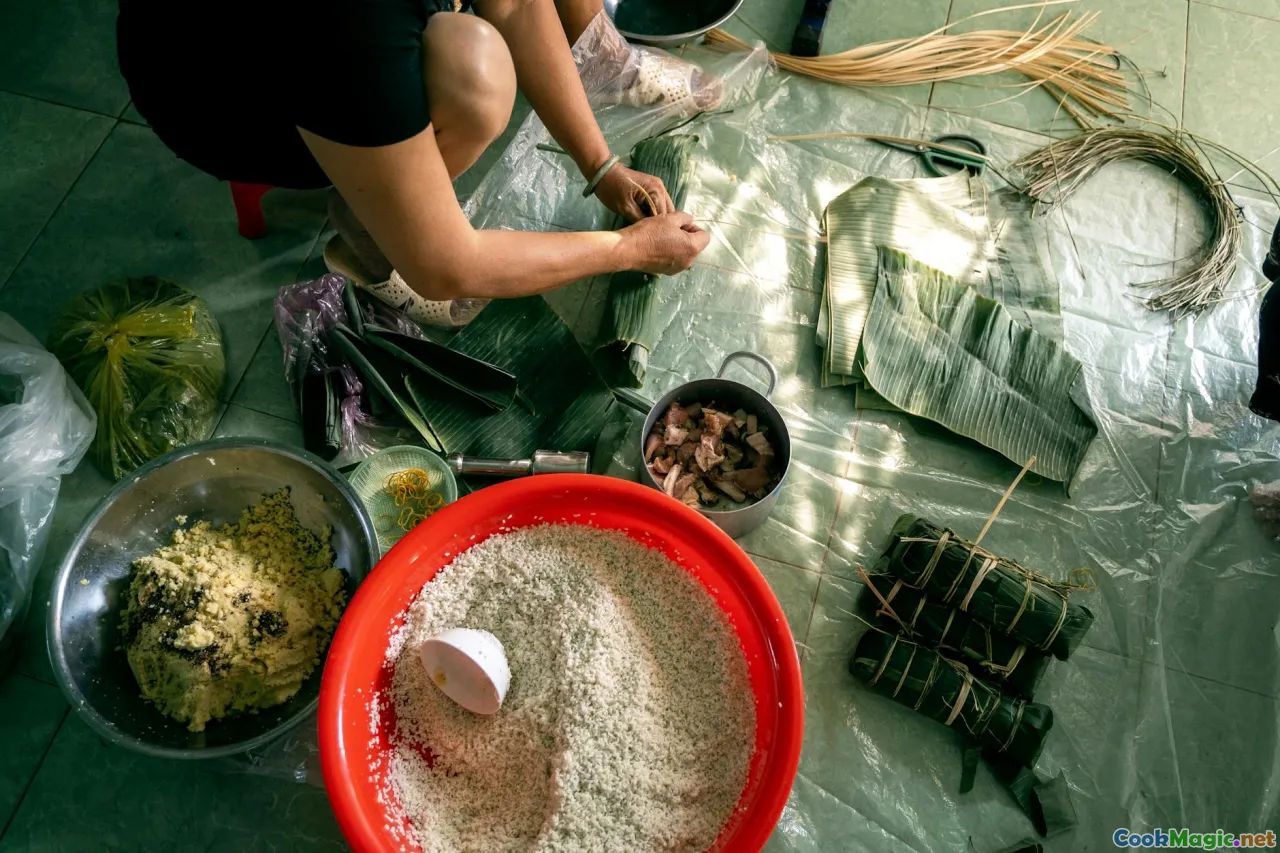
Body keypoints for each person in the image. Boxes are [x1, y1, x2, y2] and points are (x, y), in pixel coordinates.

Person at [115, 0, 713, 318]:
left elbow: (516, 6)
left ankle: (377, 192)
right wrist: (630, 251)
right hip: (219, 99)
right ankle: (369, 245)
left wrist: (600, 164)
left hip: (307, 53)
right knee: (475, 81)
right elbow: (448, 267)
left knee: (472, 49)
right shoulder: (347, 22)